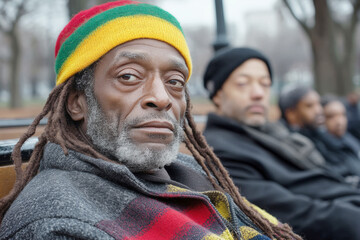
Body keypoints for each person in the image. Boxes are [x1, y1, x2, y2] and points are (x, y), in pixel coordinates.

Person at [0, 2, 301, 240]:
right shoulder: (56, 223)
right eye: (128, 76)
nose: (161, 97)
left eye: (175, 81)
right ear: (77, 103)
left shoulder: (189, 172)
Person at [202, 47, 360, 240]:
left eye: (265, 83)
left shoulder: (273, 134)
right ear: (217, 94)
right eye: (243, 84)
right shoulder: (219, 152)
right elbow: (293, 215)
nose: (258, 93)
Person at [279, 87, 360, 184]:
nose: (318, 111)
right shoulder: (288, 142)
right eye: (309, 106)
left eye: (318, 104)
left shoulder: (318, 134)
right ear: (291, 113)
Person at [318, 95, 360, 186]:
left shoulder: (349, 138)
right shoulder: (321, 147)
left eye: (343, 115)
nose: (339, 121)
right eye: (331, 116)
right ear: (321, 119)